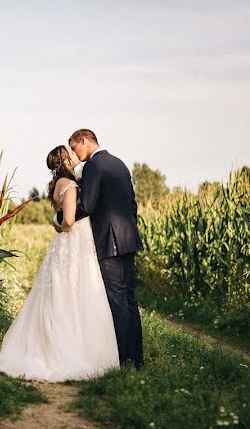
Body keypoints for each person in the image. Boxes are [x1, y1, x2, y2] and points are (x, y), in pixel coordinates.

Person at [0, 145, 119, 381]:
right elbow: (69, 220)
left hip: (65, 246)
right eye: (70, 154)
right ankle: (72, 353)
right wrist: (62, 223)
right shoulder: (69, 187)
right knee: (76, 294)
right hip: (74, 244)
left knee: (62, 294)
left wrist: (57, 221)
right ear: (66, 161)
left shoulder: (60, 184)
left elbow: (60, 216)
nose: (74, 155)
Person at [58, 128, 144, 368]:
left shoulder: (94, 166)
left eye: (75, 148)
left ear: (84, 140)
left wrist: (60, 217)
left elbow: (87, 204)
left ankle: (125, 360)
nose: (75, 154)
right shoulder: (119, 164)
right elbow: (132, 203)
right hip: (128, 238)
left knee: (116, 299)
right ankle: (137, 358)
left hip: (110, 241)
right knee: (129, 299)